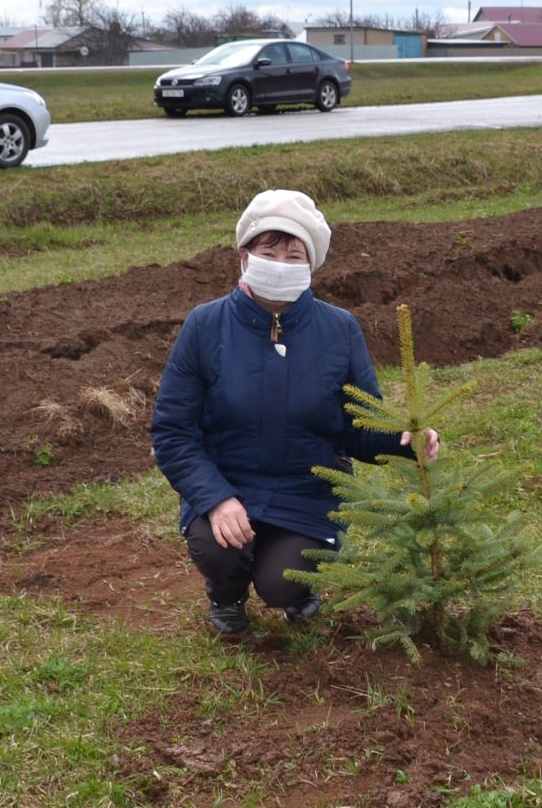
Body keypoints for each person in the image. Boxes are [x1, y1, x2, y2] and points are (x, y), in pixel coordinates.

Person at [150, 190, 441, 637]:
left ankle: (298, 590)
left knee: (283, 583)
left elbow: (360, 423)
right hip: (229, 483)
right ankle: (225, 594)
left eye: (294, 255)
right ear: (243, 258)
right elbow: (173, 432)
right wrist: (214, 497)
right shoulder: (205, 326)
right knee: (218, 547)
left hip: (306, 492)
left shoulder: (339, 329)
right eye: (268, 252)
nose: (281, 264)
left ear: (311, 265)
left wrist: (404, 440)